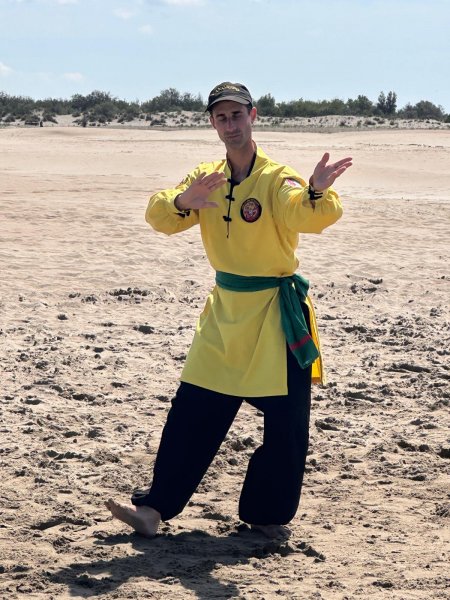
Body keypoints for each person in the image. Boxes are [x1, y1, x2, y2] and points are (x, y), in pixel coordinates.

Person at [106, 82, 352, 539]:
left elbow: (306, 215)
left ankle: (266, 516)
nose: (230, 124)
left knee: (287, 424)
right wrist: (185, 201)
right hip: (223, 315)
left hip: (276, 316)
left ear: (253, 116)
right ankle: (154, 509)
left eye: (237, 115)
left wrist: (317, 191)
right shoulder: (206, 177)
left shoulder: (278, 177)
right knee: (191, 412)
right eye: (221, 117)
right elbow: (159, 216)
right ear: (212, 123)